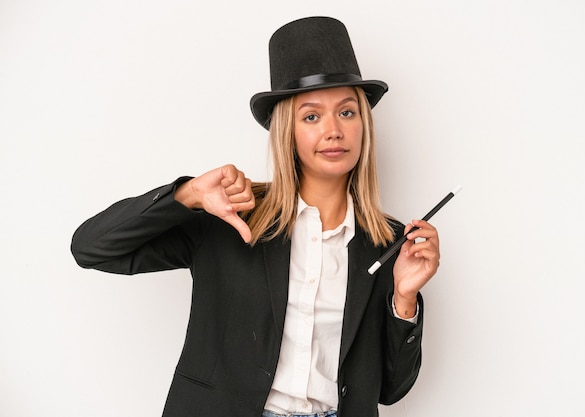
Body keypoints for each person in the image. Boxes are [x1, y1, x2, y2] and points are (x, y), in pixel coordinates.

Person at [71, 16, 441, 417]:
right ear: (288, 131)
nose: (334, 130)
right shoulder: (232, 214)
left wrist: (404, 299)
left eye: (347, 113)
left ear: (363, 126)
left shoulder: (390, 243)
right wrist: (187, 194)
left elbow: (391, 390)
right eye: (312, 116)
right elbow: (91, 248)